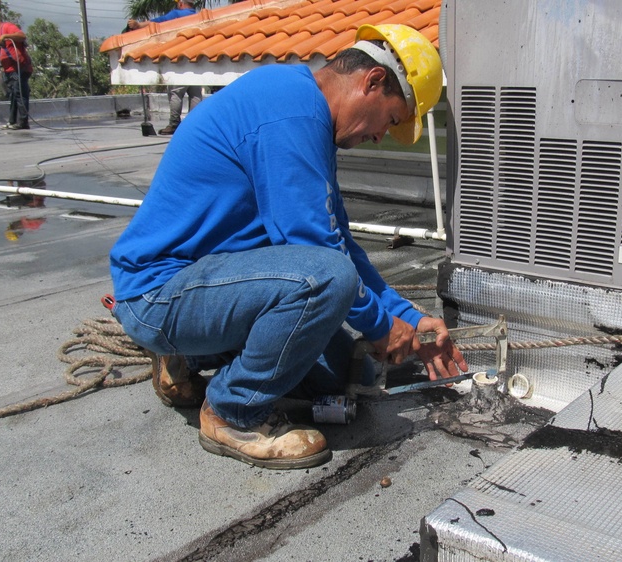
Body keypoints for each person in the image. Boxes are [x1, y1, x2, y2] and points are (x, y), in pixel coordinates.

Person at [109, 24, 467, 470]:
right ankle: (232, 411)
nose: (380, 136)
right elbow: (320, 255)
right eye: (390, 120)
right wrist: (380, 326)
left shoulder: (307, 114)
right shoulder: (289, 111)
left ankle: (187, 355)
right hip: (160, 293)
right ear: (373, 81)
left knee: (345, 374)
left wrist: (407, 318)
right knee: (328, 279)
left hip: (208, 286)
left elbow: (339, 243)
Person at [125, 0, 203, 135]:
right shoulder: (198, 16)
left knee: (176, 93)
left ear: (180, 3)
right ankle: (194, 124)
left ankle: (174, 124)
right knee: (195, 93)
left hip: (179, 60)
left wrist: (138, 25)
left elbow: (157, 23)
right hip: (197, 59)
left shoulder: (177, 14)